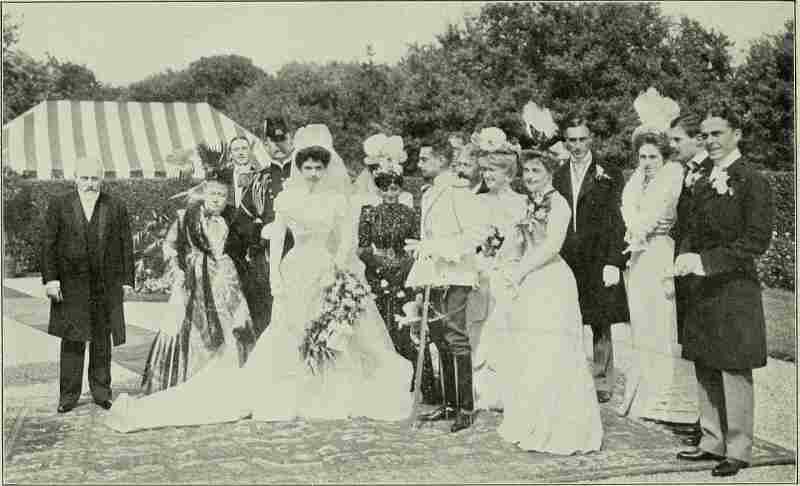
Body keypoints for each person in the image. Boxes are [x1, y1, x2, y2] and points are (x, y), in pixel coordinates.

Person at [105, 124, 413, 432]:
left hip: (326, 267)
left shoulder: (337, 201)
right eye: (307, 168)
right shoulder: (288, 199)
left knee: (328, 325)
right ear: (299, 168)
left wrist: (336, 267)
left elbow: (346, 240)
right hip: (295, 267)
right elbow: (278, 237)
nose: (313, 174)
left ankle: (329, 387)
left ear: (326, 168)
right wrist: (276, 276)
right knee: (289, 328)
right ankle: (290, 385)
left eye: (318, 168)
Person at [674, 105, 773, 477]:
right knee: (704, 359)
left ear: (737, 134)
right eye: (705, 135)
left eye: (717, 133)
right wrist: (684, 256)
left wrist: (705, 261)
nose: (710, 141)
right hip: (701, 286)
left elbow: (756, 241)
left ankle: (738, 447)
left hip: (733, 287)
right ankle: (711, 440)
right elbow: (689, 228)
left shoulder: (752, 180)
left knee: (732, 365)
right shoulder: (701, 177)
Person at [496, 150, 603, 454]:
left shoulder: (559, 204)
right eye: (527, 171)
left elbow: (552, 246)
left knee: (553, 349)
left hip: (551, 280)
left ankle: (559, 426)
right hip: (529, 280)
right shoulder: (528, 203)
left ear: (550, 174)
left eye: (536, 171)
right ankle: (530, 420)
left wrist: (519, 271)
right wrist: (503, 260)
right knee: (530, 349)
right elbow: (517, 241)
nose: (529, 177)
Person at [140, 177, 259, 394]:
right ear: (204, 194)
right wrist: (177, 269)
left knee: (232, 324)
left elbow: (243, 247)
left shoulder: (232, 219)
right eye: (213, 194)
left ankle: (229, 379)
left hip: (225, 279)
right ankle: (192, 378)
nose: (217, 199)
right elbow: (169, 245)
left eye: (222, 195)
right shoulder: (186, 217)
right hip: (194, 279)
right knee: (190, 326)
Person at [406, 140, 490, 433]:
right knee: (439, 336)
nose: (419, 164)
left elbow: (477, 233)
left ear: (442, 159)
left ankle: (466, 407)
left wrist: (438, 249)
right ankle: (450, 403)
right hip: (434, 273)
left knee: (456, 337)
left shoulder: (459, 192)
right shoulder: (430, 191)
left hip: (456, 274)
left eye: (425, 158)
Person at [616, 130, 699, 426]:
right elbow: (628, 212)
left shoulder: (672, 177)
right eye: (642, 156)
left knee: (661, 324)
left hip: (660, 253)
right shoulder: (636, 182)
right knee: (641, 324)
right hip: (638, 256)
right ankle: (641, 394)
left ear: (663, 158)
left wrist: (638, 228)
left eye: (653, 156)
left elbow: (655, 216)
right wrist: (634, 229)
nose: (647, 162)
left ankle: (664, 400)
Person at [40, 156, 134, 413]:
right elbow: (48, 245)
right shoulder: (59, 204)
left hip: (105, 285)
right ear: (75, 179)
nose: (90, 183)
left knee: (102, 340)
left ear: (102, 179)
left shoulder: (115, 205)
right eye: (84, 178)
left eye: (94, 178)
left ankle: (102, 392)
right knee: (72, 339)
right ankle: (68, 396)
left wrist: (127, 281)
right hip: (71, 285)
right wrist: (51, 280)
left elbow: (126, 244)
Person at [552, 114, 629, 403]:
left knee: (600, 319)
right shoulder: (558, 174)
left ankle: (601, 381)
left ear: (591, 140)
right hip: (566, 256)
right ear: (565, 142)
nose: (577, 146)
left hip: (597, 255)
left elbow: (617, 220)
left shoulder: (609, 173)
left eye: (582, 139)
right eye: (571, 140)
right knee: (566, 316)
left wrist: (614, 261)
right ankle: (569, 375)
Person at [357, 165, 439, 404]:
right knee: (383, 327)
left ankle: (423, 387)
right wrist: (380, 264)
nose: (390, 194)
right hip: (378, 274)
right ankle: (388, 386)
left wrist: (403, 266)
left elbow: (416, 244)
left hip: (405, 273)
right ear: (379, 190)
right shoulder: (369, 213)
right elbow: (363, 247)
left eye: (394, 189)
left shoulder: (411, 213)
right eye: (385, 189)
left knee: (409, 326)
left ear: (400, 189)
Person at [469, 129, 527, 411]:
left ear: (508, 173)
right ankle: (481, 392)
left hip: (511, 273)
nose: (487, 175)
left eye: (492, 170)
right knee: (481, 328)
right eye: (484, 170)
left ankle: (508, 391)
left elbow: (527, 242)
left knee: (507, 328)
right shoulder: (477, 201)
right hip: (483, 273)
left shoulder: (522, 203)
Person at [667, 113, 708, 446]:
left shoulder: (712, 172)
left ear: (698, 139)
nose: (672, 145)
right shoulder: (687, 172)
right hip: (684, 269)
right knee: (694, 345)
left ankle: (710, 424)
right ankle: (703, 418)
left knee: (708, 347)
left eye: (678, 139)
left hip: (703, 270)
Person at [235, 119, 296, 338]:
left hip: (299, 256)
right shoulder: (258, 180)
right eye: (270, 141)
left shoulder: (305, 173)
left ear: (291, 139)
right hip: (266, 260)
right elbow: (241, 222)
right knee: (266, 322)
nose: (276, 146)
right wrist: (258, 231)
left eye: (281, 139)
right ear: (264, 145)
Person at [353, 133, 414, 209]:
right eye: (389, 160)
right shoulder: (369, 176)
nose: (393, 164)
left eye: (393, 160)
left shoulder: (392, 175)